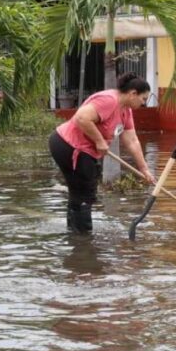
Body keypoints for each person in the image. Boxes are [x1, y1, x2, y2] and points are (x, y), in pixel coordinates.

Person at [49, 73, 155, 233]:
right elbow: (81, 118)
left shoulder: (126, 111)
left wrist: (144, 169)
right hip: (68, 145)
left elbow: (132, 141)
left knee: (80, 191)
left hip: (82, 150)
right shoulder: (109, 100)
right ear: (133, 93)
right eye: (143, 99)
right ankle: (83, 240)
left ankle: (76, 235)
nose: (144, 103)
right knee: (85, 192)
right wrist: (99, 141)